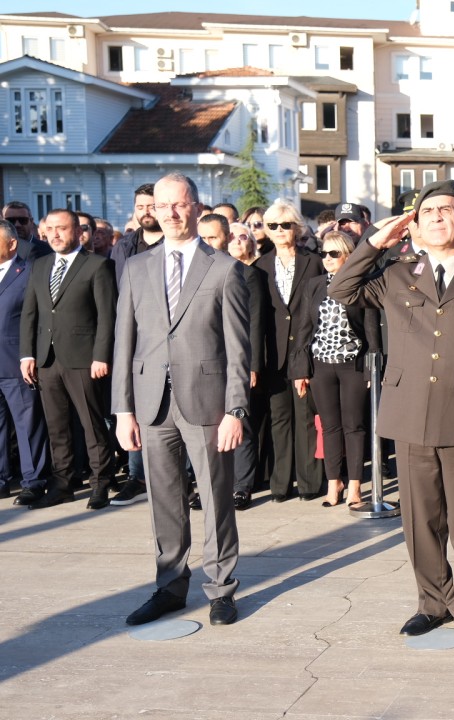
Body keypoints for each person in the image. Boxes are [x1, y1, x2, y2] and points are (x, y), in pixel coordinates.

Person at [329, 179, 454, 639]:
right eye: (427, 211)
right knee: (421, 518)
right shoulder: (395, 274)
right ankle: (432, 601)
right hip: (410, 411)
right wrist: (374, 242)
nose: (436, 217)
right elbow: (341, 288)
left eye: (446, 210)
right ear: (415, 223)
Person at [113, 172, 251, 627]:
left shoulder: (224, 269)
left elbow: (237, 347)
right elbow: (124, 343)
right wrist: (123, 410)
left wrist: (235, 410)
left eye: (179, 204)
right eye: (162, 205)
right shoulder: (136, 267)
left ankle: (221, 591)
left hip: (208, 402)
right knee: (164, 501)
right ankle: (169, 586)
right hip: (151, 404)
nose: (170, 213)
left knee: (215, 499)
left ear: (196, 207)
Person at [19, 208, 117, 510]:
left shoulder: (98, 266)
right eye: (51, 229)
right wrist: (27, 354)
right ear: (44, 232)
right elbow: (30, 314)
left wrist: (101, 356)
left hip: (84, 358)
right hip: (47, 359)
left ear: (78, 232)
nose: (56, 234)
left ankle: (100, 482)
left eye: (63, 228)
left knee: (91, 423)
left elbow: (107, 317)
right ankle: (62, 483)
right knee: (56, 425)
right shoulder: (40, 265)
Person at [290, 231, 379, 509]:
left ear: (348, 256)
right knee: (329, 428)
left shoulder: (362, 285)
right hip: (321, 366)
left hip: (353, 365)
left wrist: (371, 369)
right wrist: (300, 370)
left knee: (354, 427)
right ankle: (333, 483)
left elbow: (371, 330)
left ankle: (354, 486)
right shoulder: (314, 285)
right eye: (324, 253)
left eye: (334, 253)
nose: (327, 259)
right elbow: (304, 329)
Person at [255, 201, 325, 501]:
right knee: (279, 419)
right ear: (267, 231)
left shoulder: (315, 262)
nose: (280, 230)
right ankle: (280, 484)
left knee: (307, 418)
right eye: (273, 225)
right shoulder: (258, 266)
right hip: (274, 354)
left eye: (286, 225)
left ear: (296, 227)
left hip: (305, 349)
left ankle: (310, 483)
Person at [0, 220, 52, 506]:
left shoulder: (29, 272)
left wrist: (29, 354)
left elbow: (37, 318)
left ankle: (33, 481)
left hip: (17, 362)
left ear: (12, 244)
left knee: (27, 424)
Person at [218, 221, 269, 511]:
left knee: (242, 423)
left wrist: (251, 364)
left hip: (240, 360)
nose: (237, 241)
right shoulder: (213, 271)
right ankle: (217, 485)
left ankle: (242, 487)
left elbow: (255, 322)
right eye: (232, 237)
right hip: (213, 361)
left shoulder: (251, 275)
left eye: (243, 237)